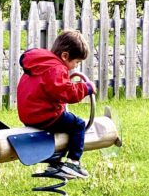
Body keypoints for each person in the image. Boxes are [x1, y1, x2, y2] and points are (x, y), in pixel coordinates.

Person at [16, 29, 96, 180]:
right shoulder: (56, 68)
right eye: (76, 62)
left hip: (29, 115)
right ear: (65, 56)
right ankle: (73, 163)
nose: (76, 67)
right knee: (78, 124)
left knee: (61, 124)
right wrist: (86, 88)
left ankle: (54, 163)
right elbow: (66, 92)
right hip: (44, 116)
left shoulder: (40, 63)